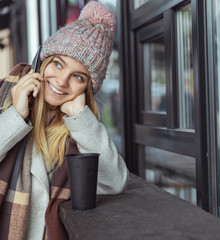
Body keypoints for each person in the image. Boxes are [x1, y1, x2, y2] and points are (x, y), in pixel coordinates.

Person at [0, 2, 128, 239]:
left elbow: (114, 182)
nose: (61, 81)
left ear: (88, 88)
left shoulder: (80, 128)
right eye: (57, 64)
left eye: (77, 77)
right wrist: (15, 117)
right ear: (44, 60)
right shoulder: (4, 96)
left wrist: (80, 118)